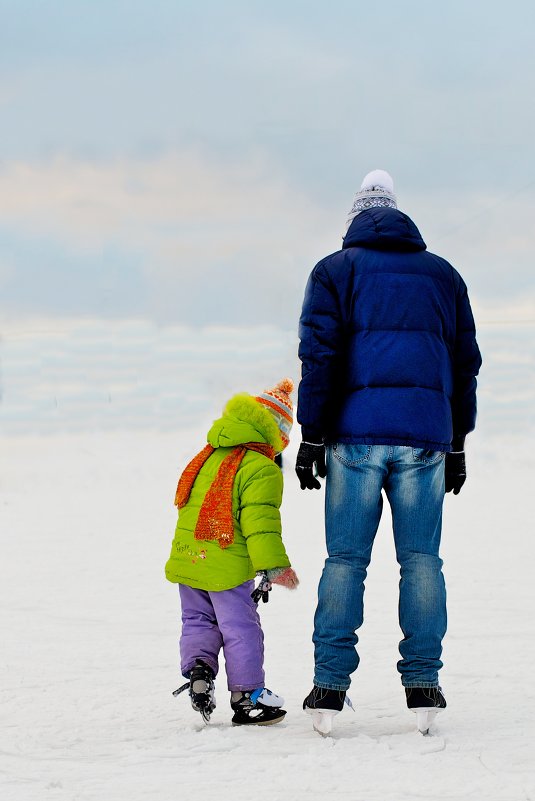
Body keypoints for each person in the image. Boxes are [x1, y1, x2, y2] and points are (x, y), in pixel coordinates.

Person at [295, 170, 482, 735]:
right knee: (421, 560)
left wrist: (311, 433)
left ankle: (329, 687)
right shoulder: (443, 275)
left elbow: (319, 355)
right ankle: (423, 683)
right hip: (426, 437)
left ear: (354, 220)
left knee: (345, 560)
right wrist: (458, 442)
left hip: (354, 437)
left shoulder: (333, 270)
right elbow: (464, 362)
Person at [165, 378, 299, 726]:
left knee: (197, 619)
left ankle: (199, 670)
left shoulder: (208, 453)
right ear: (276, 434)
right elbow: (261, 525)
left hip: (188, 556)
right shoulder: (261, 468)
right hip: (225, 561)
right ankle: (247, 696)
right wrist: (274, 568)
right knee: (240, 626)